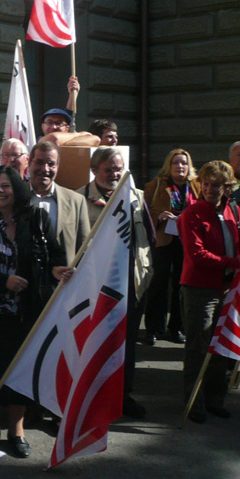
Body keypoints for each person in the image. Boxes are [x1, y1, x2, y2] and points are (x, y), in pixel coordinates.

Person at [0, 166, 71, 458]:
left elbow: (56, 256)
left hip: (27, 311)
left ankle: (17, 430)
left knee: (21, 370)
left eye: (6, 186)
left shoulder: (36, 219)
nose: (0, 191)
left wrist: (56, 270)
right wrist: (3, 281)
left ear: (17, 190)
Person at [77, 147, 153, 418]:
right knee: (95, 342)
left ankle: (123, 396)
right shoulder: (78, 199)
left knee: (126, 343)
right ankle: (93, 396)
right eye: (107, 169)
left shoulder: (137, 196)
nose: (114, 174)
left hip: (132, 283)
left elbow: (148, 239)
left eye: (118, 169)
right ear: (95, 170)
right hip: (97, 287)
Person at [178, 160, 240, 423]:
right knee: (198, 346)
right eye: (206, 184)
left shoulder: (233, 210)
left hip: (227, 286)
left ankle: (215, 400)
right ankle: (194, 402)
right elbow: (197, 256)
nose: (209, 189)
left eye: (216, 185)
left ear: (227, 187)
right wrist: (234, 262)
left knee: (219, 345)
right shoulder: (192, 213)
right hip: (200, 288)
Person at [142, 149, 199, 345]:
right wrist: (159, 216)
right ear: (169, 165)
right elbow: (145, 209)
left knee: (180, 286)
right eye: (176, 163)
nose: (180, 166)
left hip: (186, 241)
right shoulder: (156, 184)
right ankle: (153, 329)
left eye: (184, 163)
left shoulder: (197, 186)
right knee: (158, 283)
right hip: (163, 239)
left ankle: (176, 328)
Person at [27, 141, 90, 262]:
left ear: (58, 167)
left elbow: (85, 247)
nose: (44, 169)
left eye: (51, 164)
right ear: (29, 163)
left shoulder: (76, 201)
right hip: (25, 278)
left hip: (63, 279)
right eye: (39, 162)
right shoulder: (16, 198)